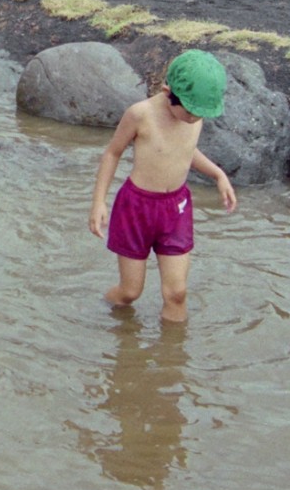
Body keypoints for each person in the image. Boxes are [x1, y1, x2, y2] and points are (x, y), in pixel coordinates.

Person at [88, 51, 238, 323]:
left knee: (177, 293)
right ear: (168, 91)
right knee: (130, 292)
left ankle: (174, 362)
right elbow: (112, 153)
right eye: (190, 112)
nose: (193, 119)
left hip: (175, 209)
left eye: (199, 114)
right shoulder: (140, 114)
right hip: (136, 208)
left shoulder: (194, 115)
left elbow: (185, 150)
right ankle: (101, 315)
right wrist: (99, 202)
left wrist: (218, 174)